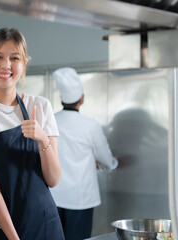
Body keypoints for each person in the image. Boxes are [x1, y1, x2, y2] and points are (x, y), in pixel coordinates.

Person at [0, 28, 64, 240]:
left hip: (43, 221)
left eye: (14, 58)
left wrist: (43, 138)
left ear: (24, 63)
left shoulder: (40, 106)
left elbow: (53, 179)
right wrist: (14, 238)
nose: (6, 65)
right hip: (1, 225)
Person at [50, 67, 118, 240]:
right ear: (81, 99)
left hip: (54, 196)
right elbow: (105, 158)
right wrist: (111, 165)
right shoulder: (90, 125)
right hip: (80, 198)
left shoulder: (51, 121)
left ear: (61, 99)